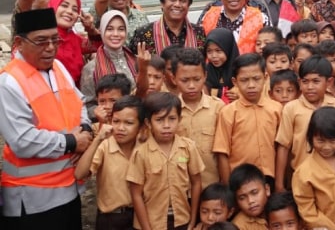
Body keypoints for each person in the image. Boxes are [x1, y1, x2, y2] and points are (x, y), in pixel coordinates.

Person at [0, 8, 93, 228]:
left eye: (54, 39)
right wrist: (72, 143)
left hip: (69, 187)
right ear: (19, 43)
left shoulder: (58, 68)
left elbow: (79, 104)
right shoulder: (9, 83)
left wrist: (87, 131)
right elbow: (22, 141)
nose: (50, 47)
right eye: (41, 41)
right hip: (32, 197)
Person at [127, 92, 205, 230]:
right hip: (152, 222)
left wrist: (192, 220)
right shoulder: (141, 153)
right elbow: (136, 194)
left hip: (182, 220)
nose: (166, 125)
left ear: (180, 119)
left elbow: (196, 182)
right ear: (148, 123)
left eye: (172, 119)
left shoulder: (188, 148)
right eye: (159, 120)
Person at [274, 55, 335, 192]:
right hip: (300, 175)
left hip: (332, 176)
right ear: (299, 82)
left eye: (316, 81)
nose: (310, 87)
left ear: (329, 82)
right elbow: (283, 146)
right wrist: (279, 184)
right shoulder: (291, 108)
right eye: (305, 82)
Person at [74, 95, 143, 230]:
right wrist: (98, 139)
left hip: (139, 216)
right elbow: (79, 174)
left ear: (141, 126)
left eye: (128, 123)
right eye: (116, 121)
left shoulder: (144, 148)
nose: (121, 128)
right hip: (110, 219)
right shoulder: (105, 146)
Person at [213, 54, 282, 184]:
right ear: (235, 82)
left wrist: (279, 183)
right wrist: (228, 186)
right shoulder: (228, 112)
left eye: (256, 79)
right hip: (239, 180)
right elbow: (222, 152)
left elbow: (281, 149)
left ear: (265, 78)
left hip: (270, 178)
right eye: (244, 80)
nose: (251, 85)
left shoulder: (277, 109)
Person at [173, 48, 225, 187]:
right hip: (181, 187)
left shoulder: (218, 108)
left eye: (197, 79)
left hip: (211, 186)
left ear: (205, 76)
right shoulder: (170, 111)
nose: (191, 86)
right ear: (174, 78)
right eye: (185, 80)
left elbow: (224, 151)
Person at [80, 10, 142, 114]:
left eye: (121, 29)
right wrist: (102, 111)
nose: (116, 34)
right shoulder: (91, 68)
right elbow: (87, 106)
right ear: (102, 31)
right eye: (109, 29)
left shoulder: (137, 60)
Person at [128, 0, 206, 55]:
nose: (177, 5)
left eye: (182, 1)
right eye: (172, 0)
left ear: (189, 5)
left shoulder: (199, 33)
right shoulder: (144, 34)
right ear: (162, 3)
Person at [49, 0, 101, 85]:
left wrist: (90, 28)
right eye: (64, 5)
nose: (69, 11)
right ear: (52, 7)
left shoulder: (75, 39)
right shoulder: (41, 39)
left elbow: (99, 45)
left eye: (75, 9)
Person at [228, 164, 271, 230]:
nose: (250, 201)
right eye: (242, 198)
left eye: (254, 193)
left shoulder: (280, 212)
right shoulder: (238, 226)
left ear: (267, 189)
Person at [204, 28, 240, 102]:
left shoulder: (240, 70)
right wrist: (220, 93)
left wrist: (239, 94)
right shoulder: (205, 71)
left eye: (218, 51)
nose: (214, 56)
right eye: (209, 51)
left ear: (228, 49)